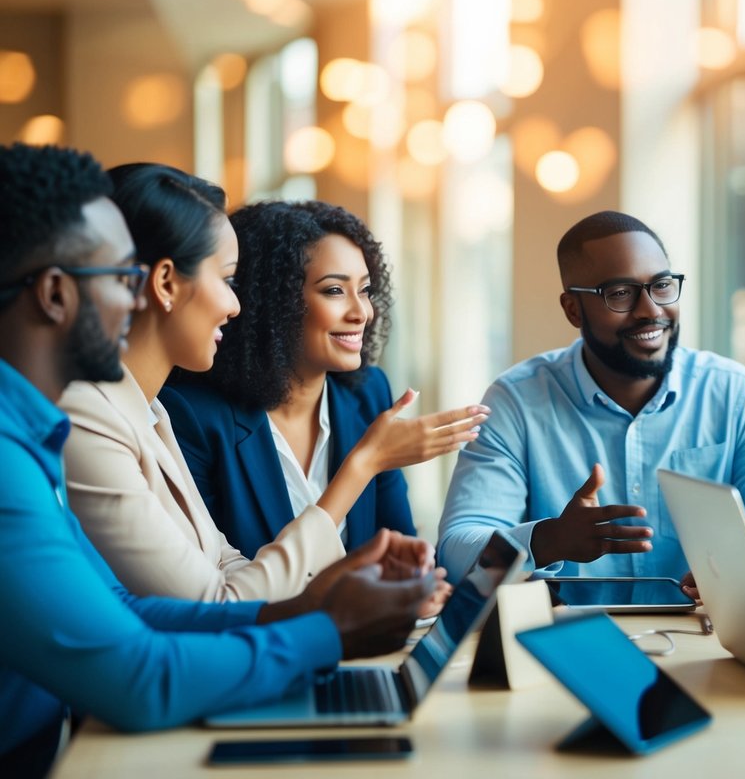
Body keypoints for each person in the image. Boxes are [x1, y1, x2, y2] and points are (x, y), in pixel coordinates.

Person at [0, 143, 433, 777]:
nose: (140, 297)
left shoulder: (70, 425)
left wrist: (314, 605)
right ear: (57, 294)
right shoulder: (21, 452)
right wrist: (327, 629)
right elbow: (138, 676)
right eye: (123, 277)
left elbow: (125, 609)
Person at [58, 164, 470, 604]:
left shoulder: (151, 410)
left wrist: (387, 586)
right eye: (227, 280)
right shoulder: (115, 415)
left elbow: (225, 563)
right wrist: (363, 464)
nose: (237, 303)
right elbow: (216, 602)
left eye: (365, 290)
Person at [437, 210, 745, 582]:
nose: (650, 311)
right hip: (566, 637)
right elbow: (457, 552)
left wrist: (731, 578)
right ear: (573, 310)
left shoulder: (737, 395)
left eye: (662, 285)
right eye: (620, 293)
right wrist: (549, 539)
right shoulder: (517, 402)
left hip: (711, 635)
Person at [158, 200, 487, 560]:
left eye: (364, 290)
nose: (361, 312)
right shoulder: (191, 414)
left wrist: (412, 569)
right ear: (272, 300)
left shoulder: (368, 394)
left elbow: (395, 538)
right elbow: (218, 582)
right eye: (334, 290)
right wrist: (366, 460)